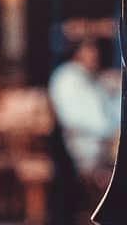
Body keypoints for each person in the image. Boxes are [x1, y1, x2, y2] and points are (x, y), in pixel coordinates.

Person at [48, 37, 118, 201]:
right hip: (86, 144)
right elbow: (74, 118)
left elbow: (110, 113)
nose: (95, 56)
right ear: (77, 53)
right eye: (89, 51)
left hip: (104, 141)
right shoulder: (67, 78)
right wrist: (109, 132)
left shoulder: (92, 79)